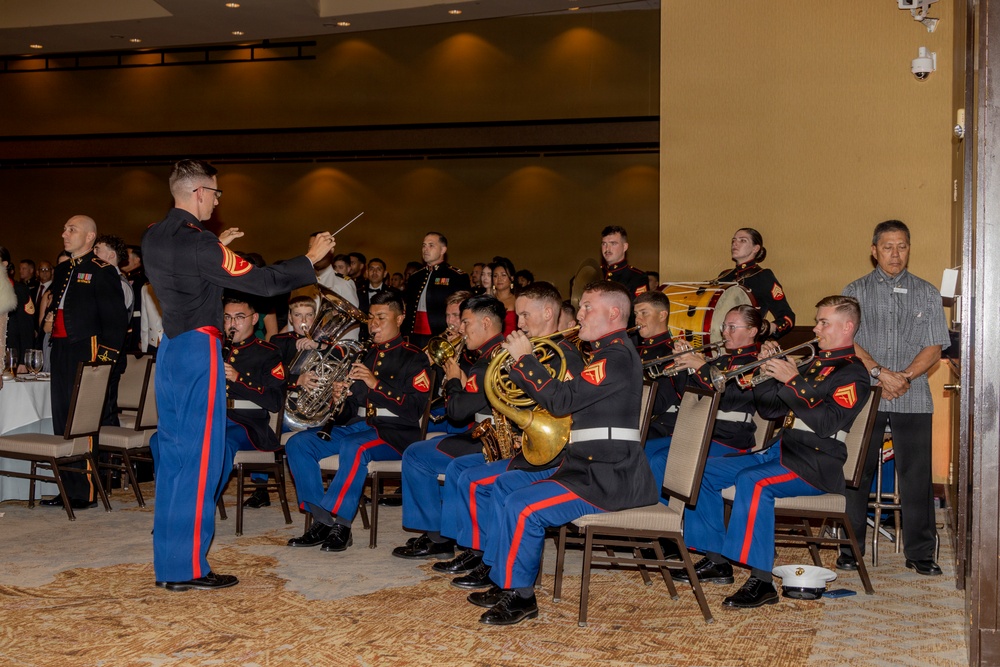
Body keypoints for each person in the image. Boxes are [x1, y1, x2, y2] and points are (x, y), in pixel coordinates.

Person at [142, 159, 333, 592]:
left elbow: (192, 272)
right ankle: (188, 569)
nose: (217, 199)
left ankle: (169, 562)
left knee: (173, 457)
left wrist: (217, 248)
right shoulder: (201, 246)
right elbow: (264, 283)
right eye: (215, 192)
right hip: (197, 350)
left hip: (169, 350)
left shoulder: (153, 234)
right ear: (198, 193)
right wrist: (310, 259)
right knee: (203, 461)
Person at [472, 280, 656, 625]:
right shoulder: (602, 353)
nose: (579, 313)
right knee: (507, 487)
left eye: (588, 307)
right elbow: (561, 394)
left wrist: (526, 359)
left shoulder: (614, 356)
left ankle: (521, 597)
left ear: (614, 313)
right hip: (586, 467)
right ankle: (503, 579)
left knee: (524, 506)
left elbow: (561, 401)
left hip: (609, 476)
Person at [670, 296, 870, 609]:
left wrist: (793, 380)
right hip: (781, 450)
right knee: (703, 471)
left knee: (754, 482)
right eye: (817, 321)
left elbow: (826, 422)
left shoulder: (852, 373)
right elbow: (769, 406)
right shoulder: (813, 363)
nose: (816, 328)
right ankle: (716, 559)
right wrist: (765, 371)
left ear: (847, 327)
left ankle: (761, 581)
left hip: (815, 462)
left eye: (823, 322)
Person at [433, 282, 585, 590]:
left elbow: (560, 409)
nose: (520, 323)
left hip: (554, 456)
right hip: (526, 447)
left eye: (526, 315)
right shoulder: (533, 351)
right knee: (463, 472)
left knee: (476, 480)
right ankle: (480, 554)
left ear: (547, 312)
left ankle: (489, 561)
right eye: (519, 316)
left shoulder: (565, 356)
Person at [838, 220, 950, 576]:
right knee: (856, 473)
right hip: (865, 396)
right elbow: (847, 342)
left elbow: (934, 345)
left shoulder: (928, 293)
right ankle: (850, 548)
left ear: (908, 249)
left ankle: (920, 553)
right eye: (887, 247)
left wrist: (903, 377)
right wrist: (878, 373)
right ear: (874, 250)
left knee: (917, 477)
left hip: (913, 395)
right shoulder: (853, 291)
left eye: (901, 246)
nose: (895, 254)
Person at [285, 290, 431, 552]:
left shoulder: (414, 357)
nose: (373, 324)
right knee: (298, 444)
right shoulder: (363, 354)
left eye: (381, 318)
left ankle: (342, 524)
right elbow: (348, 411)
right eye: (371, 318)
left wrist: (375, 384)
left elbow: (412, 409)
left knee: (355, 446)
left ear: (400, 319)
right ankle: (322, 520)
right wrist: (338, 398)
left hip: (394, 433)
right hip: (356, 428)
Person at [392, 294, 505, 560]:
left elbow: (456, 412)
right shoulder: (495, 353)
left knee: (416, 455)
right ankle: (442, 532)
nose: (461, 329)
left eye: (466, 322)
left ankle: (439, 537)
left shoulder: (489, 360)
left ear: (486, 323)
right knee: (425, 449)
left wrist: (454, 380)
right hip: (488, 433)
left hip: (489, 440)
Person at [41, 215, 128, 511]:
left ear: (89, 237)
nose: (64, 233)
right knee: (62, 421)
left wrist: (103, 362)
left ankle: (88, 489)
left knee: (84, 422)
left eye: (71, 229)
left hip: (87, 351)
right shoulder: (64, 267)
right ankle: (67, 487)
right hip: (62, 348)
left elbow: (116, 322)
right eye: (64, 228)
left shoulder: (103, 271)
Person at [219, 294, 287, 509]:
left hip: (248, 425)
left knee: (220, 443)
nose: (232, 324)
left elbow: (274, 401)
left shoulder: (268, 354)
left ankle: (202, 505)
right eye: (227, 318)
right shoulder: (213, 348)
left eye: (239, 317)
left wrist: (238, 379)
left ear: (254, 318)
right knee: (164, 438)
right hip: (213, 418)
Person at [716, 228, 795, 339]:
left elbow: (788, 317)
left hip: (749, 344)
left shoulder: (763, 277)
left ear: (755, 248)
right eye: (733, 240)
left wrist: (767, 328)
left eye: (742, 240)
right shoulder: (724, 275)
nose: (735, 244)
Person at [402, 232, 471, 348]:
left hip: (441, 337)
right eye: (424, 245)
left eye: (431, 245)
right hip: (413, 338)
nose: (425, 249)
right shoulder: (415, 277)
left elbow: (465, 310)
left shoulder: (456, 276)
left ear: (443, 250)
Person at [600, 225, 647, 299]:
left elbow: (638, 308)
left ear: (625, 247)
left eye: (613, 243)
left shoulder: (637, 277)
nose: (607, 248)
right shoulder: (595, 273)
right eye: (604, 244)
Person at [488, 257, 517, 336]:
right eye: (495, 276)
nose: (499, 279)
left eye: (503, 275)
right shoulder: (488, 300)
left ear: (512, 278)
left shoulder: (517, 300)